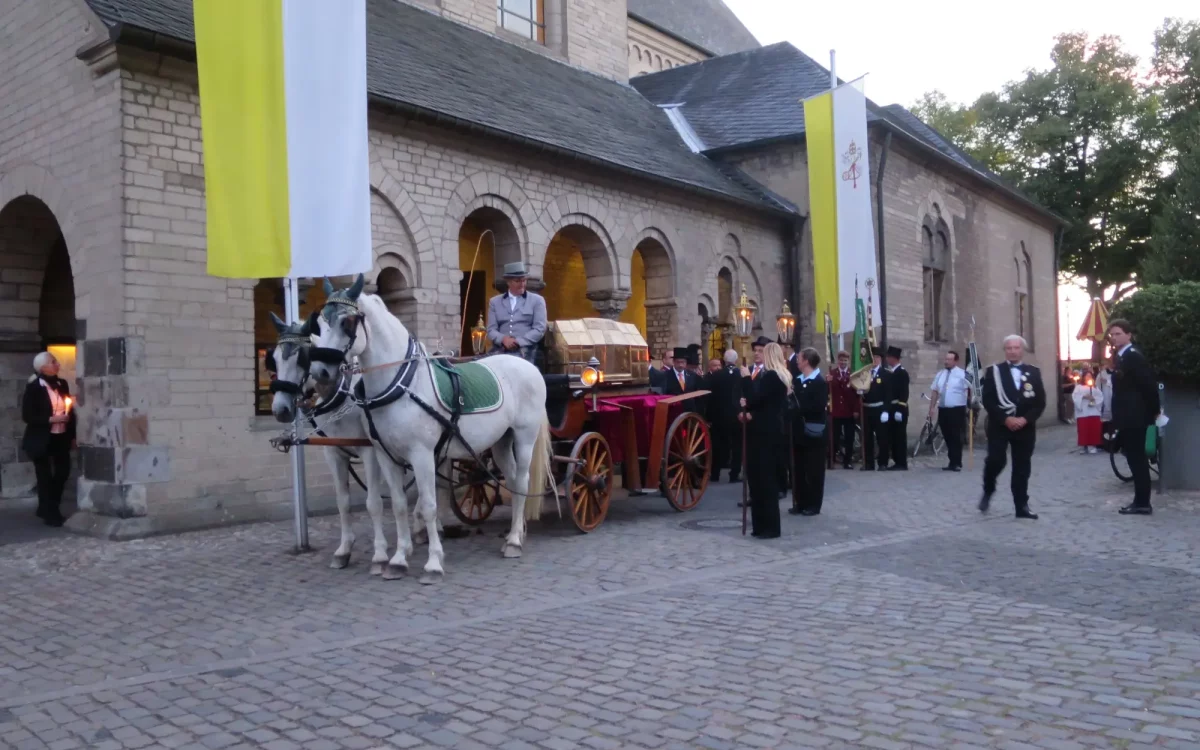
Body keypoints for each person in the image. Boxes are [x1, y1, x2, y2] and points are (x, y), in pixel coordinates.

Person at [979, 334, 1044, 520]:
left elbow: (1040, 402)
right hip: (1000, 426)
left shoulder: (1033, 372)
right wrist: (1006, 419)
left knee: (1022, 467)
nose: (1013, 351)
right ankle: (988, 488)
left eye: (1016, 348)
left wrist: (1025, 419)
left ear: (1022, 350)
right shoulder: (994, 372)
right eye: (1009, 348)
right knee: (996, 460)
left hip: (1025, 427)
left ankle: (1021, 506)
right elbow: (988, 400)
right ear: (1005, 350)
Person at [1107, 319, 1160, 515]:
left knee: (1137, 460)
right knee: (1133, 459)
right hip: (1129, 416)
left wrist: (1153, 412)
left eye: (1118, 333)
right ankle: (1140, 501)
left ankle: (1143, 502)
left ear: (1129, 335)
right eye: (1112, 335)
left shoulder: (1133, 356)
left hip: (1135, 417)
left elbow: (1148, 386)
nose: (1114, 338)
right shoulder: (1122, 356)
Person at [738, 342, 789, 539]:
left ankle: (769, 526)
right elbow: (759, 403)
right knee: (758, 480)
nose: (756, 356)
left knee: (765, 481)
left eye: (761, 352)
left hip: (765, 434)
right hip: (764, 430)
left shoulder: (773, 376)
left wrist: (745, 380)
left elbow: (755, 398)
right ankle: (759, 525)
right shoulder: (774, 376)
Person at [22, 351, 77, 527]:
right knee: (44, 476)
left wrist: (72, 435)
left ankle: (47, 506)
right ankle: (51, 513)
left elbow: (70, 410)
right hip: (42, 438)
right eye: (54, 362)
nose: (58, 364)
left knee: (62, 472)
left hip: (61, 436)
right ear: (43, 367)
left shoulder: (62, 384)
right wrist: (49, 420)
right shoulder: (34, 387)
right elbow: (28, 415)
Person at [789, 347, 828, 516]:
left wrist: (797, 404)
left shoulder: (819, 382)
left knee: (814, 469)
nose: (796, 361)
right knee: (799, 468)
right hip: (798, 431)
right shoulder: (797, 381)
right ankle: (800, 501)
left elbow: (817, 407)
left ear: (806, 361)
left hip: (813, 432)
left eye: (799, 358)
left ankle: (813, 504)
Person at [486, 262, 547, 363]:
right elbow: (491, 330)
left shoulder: (537, 300)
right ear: (508, 282)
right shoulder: (495, 302)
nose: (522, 284)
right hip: (501, 350)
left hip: (527, 351)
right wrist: (503, 339)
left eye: (524, 280)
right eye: (518, 281)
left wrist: (518, 342)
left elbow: (539, 328)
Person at [704, 352, 742, 483]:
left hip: (718, 415)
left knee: (717, 444)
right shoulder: (741, 374)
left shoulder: (716, 375)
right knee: (737, 445)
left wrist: (708, 416)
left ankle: (715, 474)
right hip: (737, 415)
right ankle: (734, 474)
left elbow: (710, 397)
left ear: (724, 361)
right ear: (736, 360)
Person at [929, 350, 970, 471]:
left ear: (956, 361)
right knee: (946, 434)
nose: (946, 362)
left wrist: (971, 403)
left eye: (949, 359)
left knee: (956, 436)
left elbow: (972, 388)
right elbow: (935, 391)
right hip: (943, 409)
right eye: (946, 359)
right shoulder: (940, 374)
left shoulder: (963, 374)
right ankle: (952, 460)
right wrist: (932, 407)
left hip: (957, 409)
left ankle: (957, 462)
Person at [858, 346, 891, 471]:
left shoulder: (886, 374)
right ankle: (868, 463)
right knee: (867, 437)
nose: (875, 360)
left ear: (881, 359)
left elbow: (889, 394)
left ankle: (883, 462)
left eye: (877, 357)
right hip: (867, 409)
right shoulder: (865, 373)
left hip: (879, 408)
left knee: (882, 437)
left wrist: (886, 411)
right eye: (873, 358)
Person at [827, 350, 859, 469]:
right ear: (838, 361)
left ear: (848, 361)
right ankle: (831, 460)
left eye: (845, 360)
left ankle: (848, 461)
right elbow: (827, 392)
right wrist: (828, 382)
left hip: (849, 411)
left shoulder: (853, 374)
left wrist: (856, 410)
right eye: (841, 360)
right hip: (836, 411)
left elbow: (857, 395)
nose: (843, 362)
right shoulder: (832, 373)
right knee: (834, 436)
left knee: (849, 438)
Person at [885, 346, 909, 470]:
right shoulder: (892, 372)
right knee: (893, 436)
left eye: (888, 357)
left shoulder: (901, 372)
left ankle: (902, 462)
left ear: (894, 358)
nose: (887, 359)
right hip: (892, 408)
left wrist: (900, 409)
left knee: (900, 437)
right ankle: (896, 460)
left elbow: (904, 393)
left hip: (899, 409)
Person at [1071, 365, 1105, 454]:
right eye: (1087, 376)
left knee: (1093, 428)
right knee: (1083, 429)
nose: (1089, 377)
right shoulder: (1079, 387)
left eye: (1090, 376)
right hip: (1083, 411)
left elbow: (1100, 396)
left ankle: (1092, 445)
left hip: (1093, 411)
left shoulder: (1095, 388)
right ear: (1084, 377)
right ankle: (1084, 445)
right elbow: (1075, 396)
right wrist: (1083, 396)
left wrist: (1094, 399)